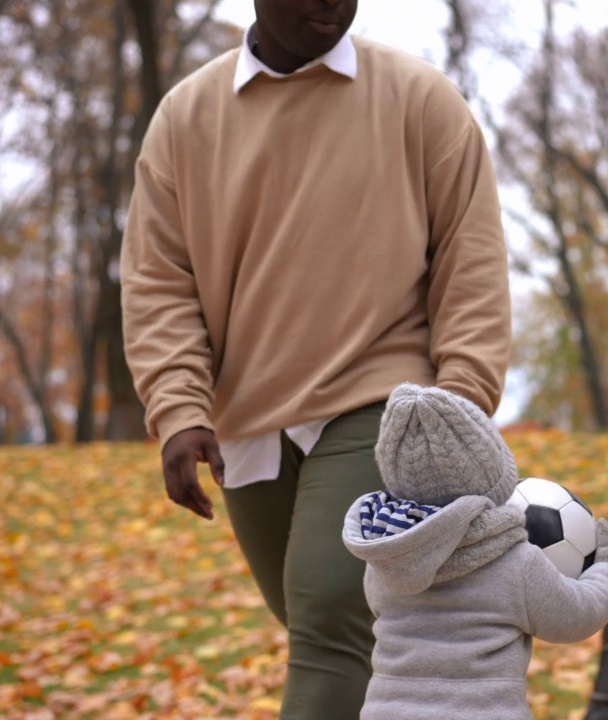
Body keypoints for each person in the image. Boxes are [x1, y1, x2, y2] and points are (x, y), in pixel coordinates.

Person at [119, 0, 511, 716]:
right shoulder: (186, 118)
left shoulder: (419, 100)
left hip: (387, 403)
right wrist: (177, 408)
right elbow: (158, 279)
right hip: (249, 422)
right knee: (332, 634)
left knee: (332, 618)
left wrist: (459, 406)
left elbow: (472, 263)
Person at [341, 383, 608, 719]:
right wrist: (607, 569)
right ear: (493, 472)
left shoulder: (385, 559)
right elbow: (577, 616)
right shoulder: (514, 562)